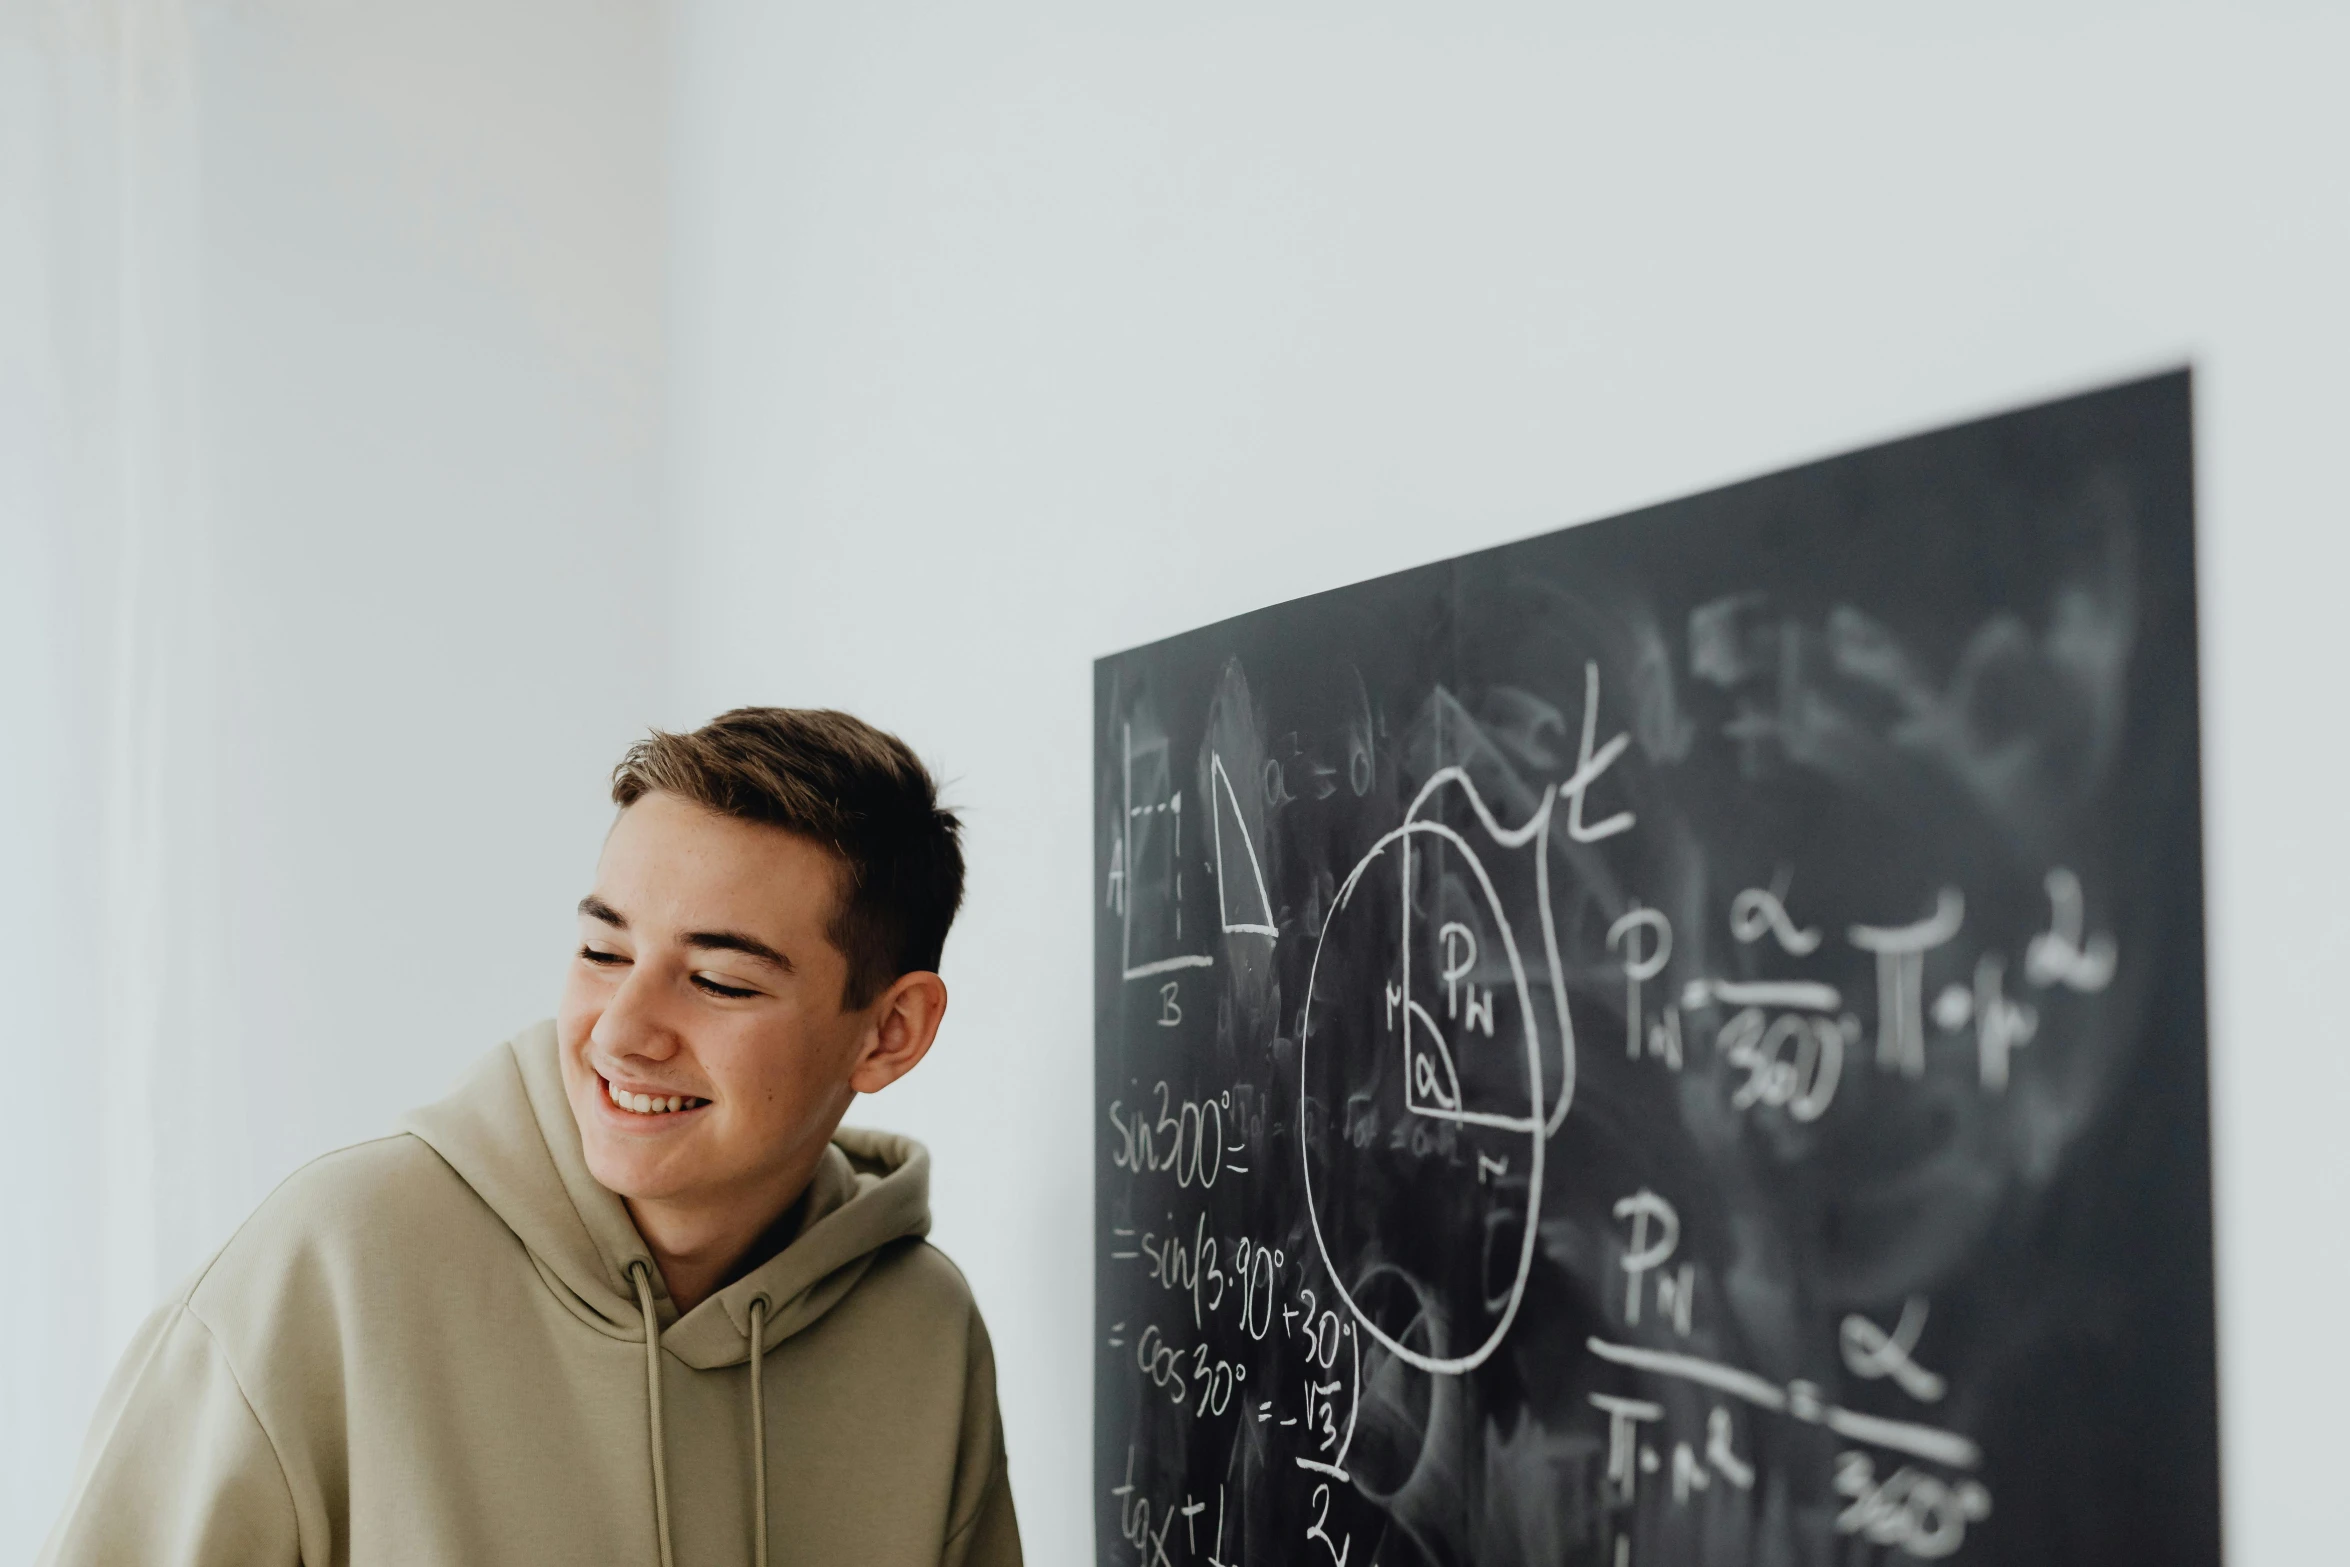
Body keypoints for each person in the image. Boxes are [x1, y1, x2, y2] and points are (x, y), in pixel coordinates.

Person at [43, 709, 1021, 1566]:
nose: (621, 1030)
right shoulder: (336, 1262)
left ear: (889, 1031)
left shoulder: (923, 1332)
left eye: (720, 980)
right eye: (604, 950)